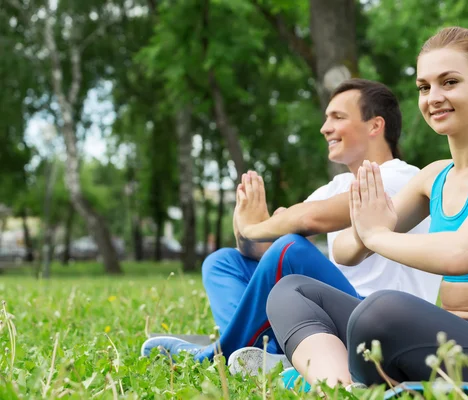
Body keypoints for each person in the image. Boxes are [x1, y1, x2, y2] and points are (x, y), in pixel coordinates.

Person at [266, 26, 468, 393]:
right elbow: (346, 251)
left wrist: (377, 235)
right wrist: (367, 229)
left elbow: (462, 254)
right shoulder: (432, 177)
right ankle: (337, 385)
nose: (434, 97)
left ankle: (345, 377)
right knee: (292, 290)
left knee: (380, 311)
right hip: (442, 338)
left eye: (449, 82)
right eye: (424, 86)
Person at [140, 79, 442, 374]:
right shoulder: (335, 185)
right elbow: (266, 251)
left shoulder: (400, 178)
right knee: (224, 262)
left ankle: (218, 354)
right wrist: (244, 230)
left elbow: (307, 219)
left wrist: (256, 227)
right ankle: (262, 352)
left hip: (381, 322)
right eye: (326, 118)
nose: (325, 128)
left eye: (337, 117)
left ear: (375, 126)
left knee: (290, 249)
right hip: (331, 310)